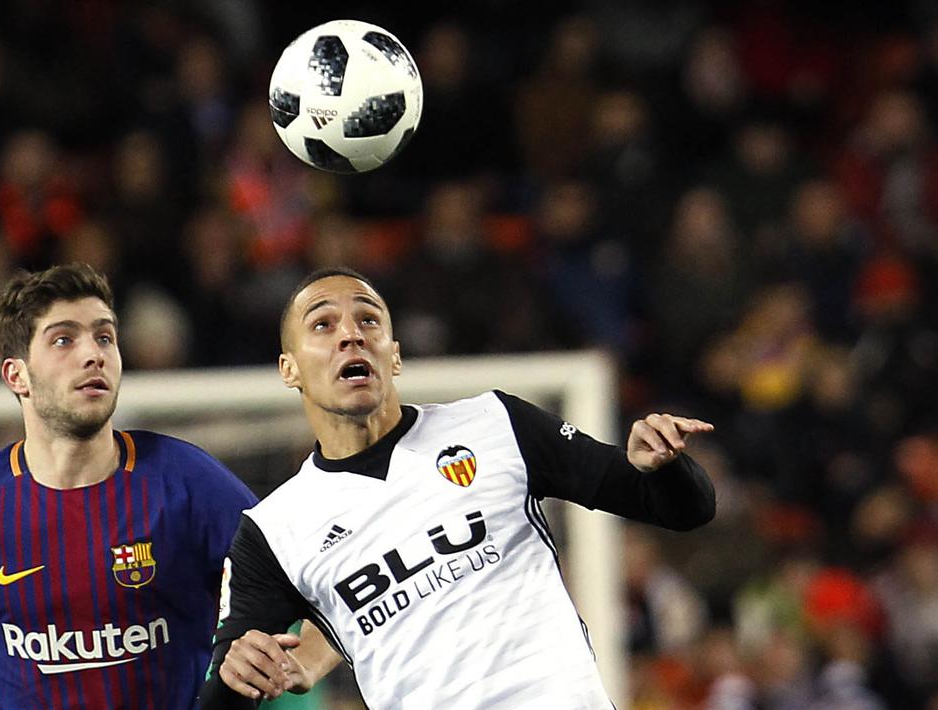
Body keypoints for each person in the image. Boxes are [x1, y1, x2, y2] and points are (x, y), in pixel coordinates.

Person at [201, 267, 718, 709]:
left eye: (369, 319)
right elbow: (229, 686)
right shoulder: (274, 531)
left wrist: (665, 466)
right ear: (288, 369)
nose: (351, 335)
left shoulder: (496, 425)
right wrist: (234, 675)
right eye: (322, 324)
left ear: (395, 355)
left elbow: (684, 509)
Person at [0, 263, 266, 708]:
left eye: (104, 337)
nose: (94, 354)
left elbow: (302, 571)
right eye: (64, 339)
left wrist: (278, 654)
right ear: (16, 375)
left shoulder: (187, 480)